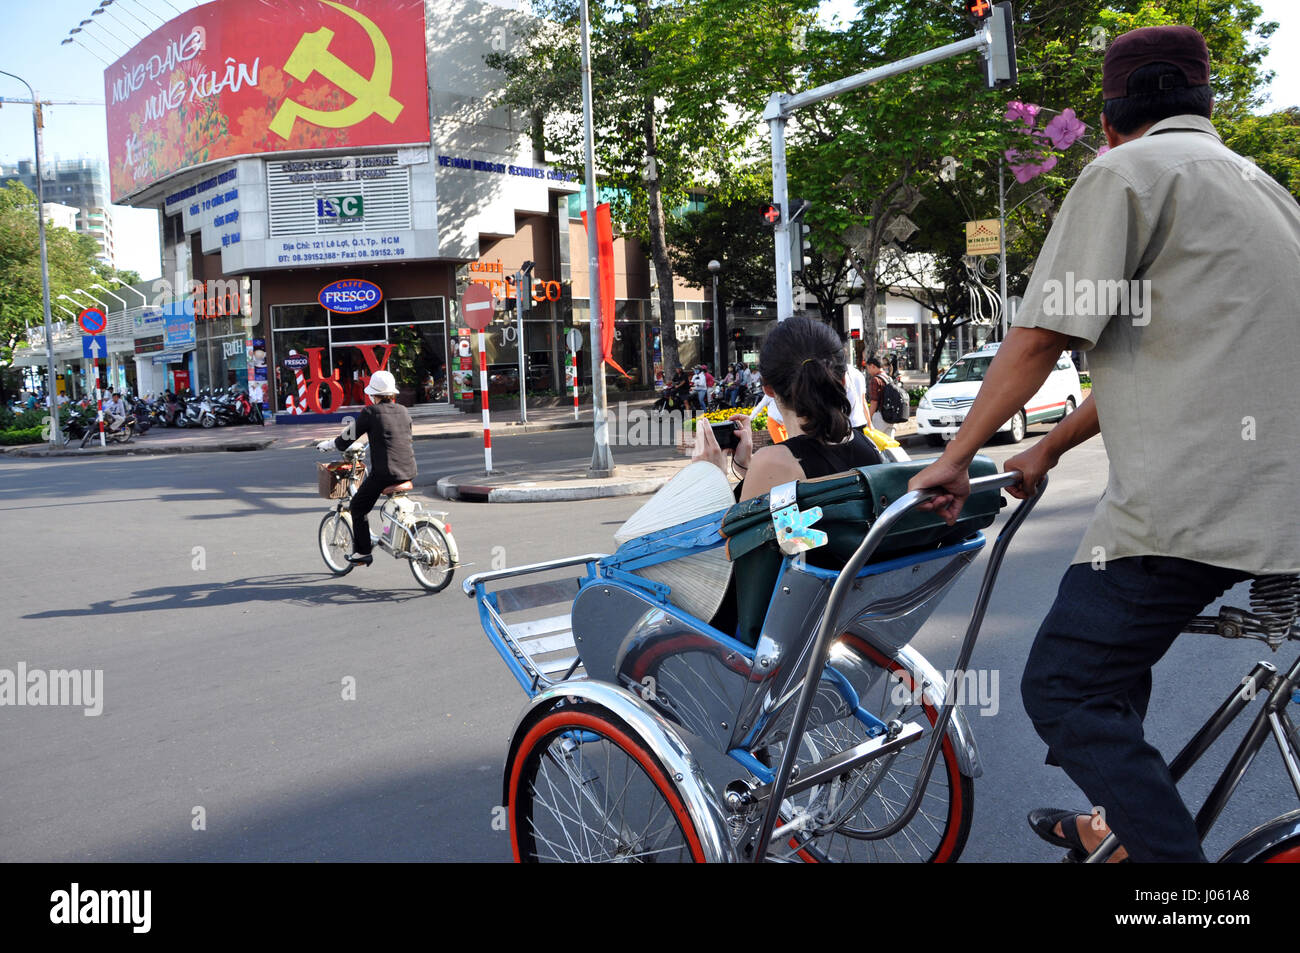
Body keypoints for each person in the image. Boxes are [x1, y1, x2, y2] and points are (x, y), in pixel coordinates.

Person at [907, 26, 1300, 863]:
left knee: (1064, 683)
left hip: (1198, 504)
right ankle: (1113, 820)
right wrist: (1047, 446)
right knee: (1114, 656)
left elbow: (1042, 334)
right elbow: (1161, 359)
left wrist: (955, 454)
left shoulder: (1122, 174)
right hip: (1280, 496)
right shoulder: (1264, 188)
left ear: (1112, 117)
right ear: (1209, 103)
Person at [692, 316, 882, 501]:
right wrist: (748, 467)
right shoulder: (869, 449)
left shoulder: (774, 463)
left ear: (768, 389)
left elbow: (727, 532)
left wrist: (710, 478)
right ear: (841, 381)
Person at [315, 370, 417, 566]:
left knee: (358, 507)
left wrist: (329, 445)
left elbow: (346, 439)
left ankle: (362, 552)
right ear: (392, 393)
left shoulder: (370, 412)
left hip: (385, 473)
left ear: (373, 394)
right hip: (409, 469)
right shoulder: (404, 410)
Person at [865, 356, 896, 440]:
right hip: (891, 417)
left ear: (872, 366)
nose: (868, 371)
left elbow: (874, 402)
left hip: (880, 417)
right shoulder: (889, 378)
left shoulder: (875, 380)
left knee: (874, 445)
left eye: (868, 368)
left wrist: (868, 419)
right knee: (889, 447)